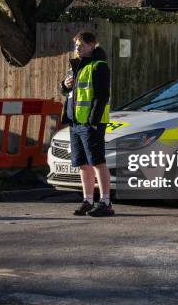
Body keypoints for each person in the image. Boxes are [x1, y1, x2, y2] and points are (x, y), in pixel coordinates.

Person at [60, 31, 114, 217]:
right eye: (76, 45)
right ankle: (88, 200)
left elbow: (101, 96)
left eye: (81, 45)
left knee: (98, 161)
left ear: (93, 45)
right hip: (75, 122)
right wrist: (65, 85)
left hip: (91, 123)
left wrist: (92, 122)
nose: (78, 49)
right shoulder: (77, 66)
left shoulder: (99, 66)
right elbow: (70, 93)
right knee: (82, 163)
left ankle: (106, 202)